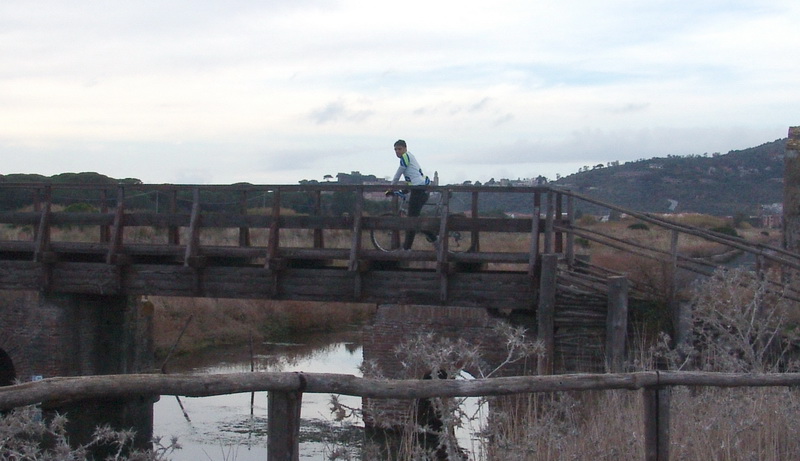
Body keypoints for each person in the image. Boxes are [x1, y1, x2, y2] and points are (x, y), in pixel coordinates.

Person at [388, 139, 437, 250]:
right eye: (395, 150)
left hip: (419, 191)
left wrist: (391, 187)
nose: (397, 152)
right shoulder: (410, 157)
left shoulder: (405, 157)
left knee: (412, 221)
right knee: (414, 219)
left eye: (399, 149)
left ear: (405, 148)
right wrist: (404, 191)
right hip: (419, 189)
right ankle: (411, 246)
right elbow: (412, 179)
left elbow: (398, 173)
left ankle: (409, 248)